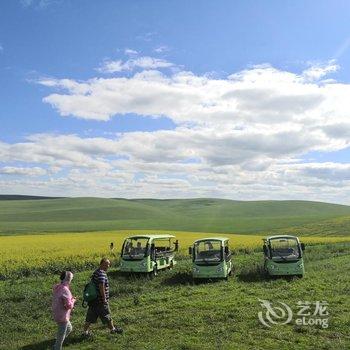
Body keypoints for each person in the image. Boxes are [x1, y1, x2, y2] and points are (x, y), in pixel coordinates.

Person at [83, 258, 123, 336]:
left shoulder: (96, 272)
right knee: (107, 315)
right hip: (100, 301)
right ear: (101, 264)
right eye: (106, 264)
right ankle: (113, 330)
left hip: (93, 300)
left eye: (108, 264)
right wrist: (104, 299)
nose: (108, 266)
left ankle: (85, 332)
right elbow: (101, 286)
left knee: (90, 317)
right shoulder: (101, 273)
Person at [52, 271, 76, 350]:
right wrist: (73, 301)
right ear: (69, 279)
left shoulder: (58, 287)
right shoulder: (65, 290)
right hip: (62, 316)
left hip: (57, 312)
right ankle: (57, 347)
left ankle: (57, 343)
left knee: (69, 328)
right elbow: (68, 306)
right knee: (61, 336)